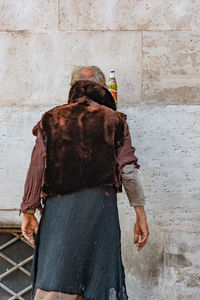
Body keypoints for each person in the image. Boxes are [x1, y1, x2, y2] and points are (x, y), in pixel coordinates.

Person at [19, 66, 149, 300]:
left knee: (55, 279)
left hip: (60, 212)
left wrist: (28, 211)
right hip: (100, 211)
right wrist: (140, 215)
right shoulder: (115, 120)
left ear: (72, 88)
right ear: (103, 90)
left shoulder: (51, 119)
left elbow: (37, 166)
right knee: (97, 280)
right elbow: (128, 171)